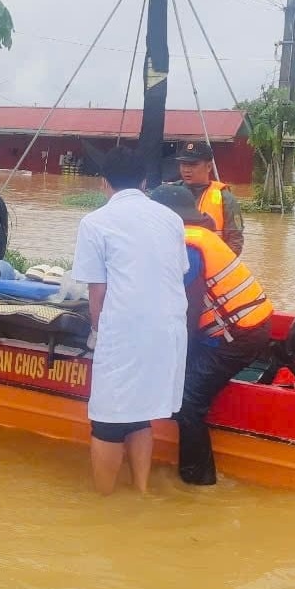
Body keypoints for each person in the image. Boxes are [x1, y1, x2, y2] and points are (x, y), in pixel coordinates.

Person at [72, 147, 189, 495]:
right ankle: (140, 493)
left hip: (126, 330)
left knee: (107, 419)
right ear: (144, 182)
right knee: (140, 412)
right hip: (169, 329)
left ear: (104, 183)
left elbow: (97, 291)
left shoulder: (95, 222)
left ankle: (104, 504)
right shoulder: (172, 219)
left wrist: (96, 332)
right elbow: (177, 272)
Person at [150, 184, 275, 486]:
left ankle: (197, 482)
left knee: (187, 399)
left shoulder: (188, 246)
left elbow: (188, 309)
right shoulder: (202, 236)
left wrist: (174, 355)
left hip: (237, 336)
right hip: (252, 325)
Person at [171, 140, 245, 254]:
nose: (186, 170)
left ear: (209, 166)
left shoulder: (225, 198)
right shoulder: (170, 194)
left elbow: (235, 241)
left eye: (193, 164)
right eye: (183, 164)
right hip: (175, 264)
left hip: (211, 264)